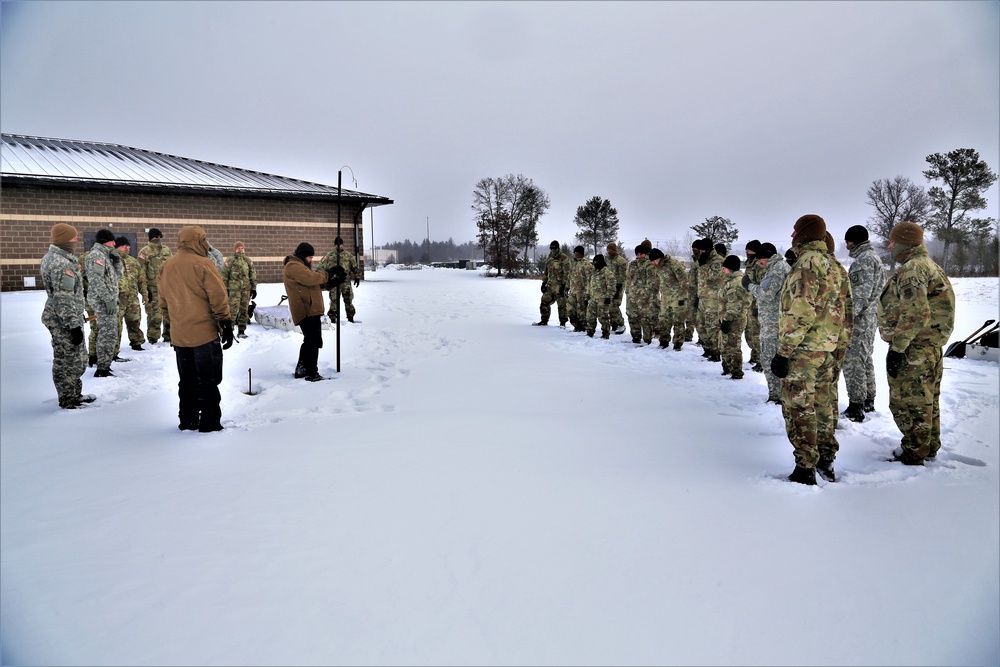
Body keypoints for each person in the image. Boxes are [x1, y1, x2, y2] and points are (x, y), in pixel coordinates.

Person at [770, 214, 847, 485]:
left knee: (800, 408)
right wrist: (839, 349)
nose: (791, 236)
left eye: (795, 231)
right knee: (825, 405)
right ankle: (826, 459)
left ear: (803, 233)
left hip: (803, 351)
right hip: (827, 349)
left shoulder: (807, 263)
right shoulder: (834, 264)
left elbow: (801, 309)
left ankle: (805, 468)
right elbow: (845, 312)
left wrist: (784, 351)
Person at [878, 222, 955, 465]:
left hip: (914, 349)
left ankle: (914, 451)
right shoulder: (927, 265)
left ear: (904, 242)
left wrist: (898, 348)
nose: (890, 245)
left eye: (893, 241)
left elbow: (916, 312)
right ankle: (927, 446)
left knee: (909, 401)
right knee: (926, 400)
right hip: (926, 347)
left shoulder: (913, 269)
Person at [157, 226, 233, 432]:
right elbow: (218, 297)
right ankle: (210, 422)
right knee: (208, 381)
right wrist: (226, 323)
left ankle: (188, 420)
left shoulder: (166, 266)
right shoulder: (203, 264)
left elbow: (163, 302)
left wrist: (174, 323)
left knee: (187, 380)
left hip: (180, 336)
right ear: (197, 241)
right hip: (204, 335)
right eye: (204, 239)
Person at [40, 223, 94, 409]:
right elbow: (63, 298)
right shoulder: (60, 263)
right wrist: (73, 325)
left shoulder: (62, 258)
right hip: (63, 319)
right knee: (66, 360)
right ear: (63, 239)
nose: (76, 239)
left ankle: (74, 394)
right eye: (73, 237)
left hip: (67, 316)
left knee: (76, 358)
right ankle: (67, 398)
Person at [841, 225, 887, 421]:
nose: (846, 245)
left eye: (848, 241)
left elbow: (859, 297)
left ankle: (856, 406)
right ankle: (868, 401)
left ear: (854, 241)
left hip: (860, 321)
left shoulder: (864, 260)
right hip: (870, 319)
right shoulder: (873, 257)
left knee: (853, 362)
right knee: (865, 359)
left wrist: (844, 321)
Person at [284, 242, 340, 381]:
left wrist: (330, 283)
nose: (311, 260)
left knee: (310, 340)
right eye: (309, 257)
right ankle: (311, 372)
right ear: (302, 256)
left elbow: (311, 285)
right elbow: (310, 279)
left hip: (310, 309)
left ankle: (302, 368)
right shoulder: (293, 266)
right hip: (305, 310)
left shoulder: (300, 266)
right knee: (313, 341)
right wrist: (328, 273)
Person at [744, 243, 789, 404]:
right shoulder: (776, 267)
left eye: (759, 259)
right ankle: (778, 394)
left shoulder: (777, 269)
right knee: (769, 360)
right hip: (773, 322)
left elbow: (767, 294)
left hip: (773, 324)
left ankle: (777, 396)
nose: (758, 263)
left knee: (769, 360)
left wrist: (749, 286)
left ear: (766, 257)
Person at [85, 228, 124, 378]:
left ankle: (104, 365)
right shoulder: (97, 256)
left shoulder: (106, 256)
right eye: (112, 240)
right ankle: (102, 369)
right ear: (106, 241)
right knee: (107, 334)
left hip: (109, 299)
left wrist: (117, 261)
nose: (115, 243)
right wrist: (108, 300)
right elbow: (96, 280)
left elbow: (116, 277)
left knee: (110, 332)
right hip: (102, 300)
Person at [138, 227, 172, 344]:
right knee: (155, 315)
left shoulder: (166, 250)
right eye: (155, 237)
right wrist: (145, 289)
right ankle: (153, 338)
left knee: (170, 312)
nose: (157, 239)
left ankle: (169, 335)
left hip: (167, 287)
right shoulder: (144, 252)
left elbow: (172, 267)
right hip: (153, 288)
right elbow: (141, 272)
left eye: (158, 237)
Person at [649, 248, 688, 350]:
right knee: (663, 321)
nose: (653, 263)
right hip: (666, 299)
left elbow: (684, 281)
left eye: (654, 260)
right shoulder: (659, 267)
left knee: (678, 322)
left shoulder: (674, 264)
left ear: (659, 258)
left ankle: (677, 344)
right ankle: (663, 342)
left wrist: (682, 297)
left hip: (677, 298)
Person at [114, 236, 148, 354]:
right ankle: (114, 350)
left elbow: (141, 280)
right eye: (124, 246)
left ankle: (136, 342)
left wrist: (144, 294)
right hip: (117, 299)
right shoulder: (111, 260)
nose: (127, 248)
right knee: (116, 325)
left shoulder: (133, 262)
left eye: (128, 246)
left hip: (132, 298)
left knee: (134, 320)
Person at [317, 236, 362, 324]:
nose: (339, 246)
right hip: (334, 282)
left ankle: (350, 317)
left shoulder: (348, 255)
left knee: (348, 300)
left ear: (342, 245)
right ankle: (333, 318)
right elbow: (321, 266)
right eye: (337, 245)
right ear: (334, 245)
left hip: (346, 282)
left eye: (340, 244)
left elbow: (354, 267)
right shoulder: (329, 255)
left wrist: (357, 276)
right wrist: (321, 276)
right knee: (334, 300)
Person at [720, 255, 751, 379]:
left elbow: (735, 306)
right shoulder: (730, 281)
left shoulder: (735, 283)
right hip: (729, 317)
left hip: (734, 319)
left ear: (730, 268)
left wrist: (727, 320)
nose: (723, 270)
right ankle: (727, 368)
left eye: (725, 268)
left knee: (733, 346)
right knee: (726, 344)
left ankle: (736, 371)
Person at [694, 238, 725, 362]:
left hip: (713, 300)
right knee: (700, 326)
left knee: (712, 328)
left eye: (702, 250)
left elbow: (713, 277)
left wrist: (703, 266)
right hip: (703, 299)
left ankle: (716, 352)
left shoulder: (717, 261)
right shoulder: (702, 260)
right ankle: (707, 349)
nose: (700, 252)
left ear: (708, 249)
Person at [223, 241, 257, 338]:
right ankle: (230, 331)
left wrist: (253, 288)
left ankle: (241, 331)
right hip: (234, 290)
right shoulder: (230, 260)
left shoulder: (247, 260)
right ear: (235, 249)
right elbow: (224, 276)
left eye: (242, 248)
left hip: (246, 290)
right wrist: (225, 289)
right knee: (232, 311)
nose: (240, 250)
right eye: (238, 248)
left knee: (244, 311)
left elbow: (252, 275)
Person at [625, 244, 658, 344]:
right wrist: (627, 291)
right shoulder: (632, 264)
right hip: (632, 296)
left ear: (645, 253)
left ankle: (647, 339)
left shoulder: (649, 264)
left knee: (645, 319)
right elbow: (628, 279)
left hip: (645, 298)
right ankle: (635, 338)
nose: (639, 256)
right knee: (632, 317)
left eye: (641, 254)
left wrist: (646, 295)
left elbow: (652, 281)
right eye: (637, 254)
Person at [533, 241, 570, 327]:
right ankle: (544, 320)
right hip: (550, 286)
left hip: (560, 286)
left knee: (562, 305)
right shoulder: (550, 259)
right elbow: (546, 272)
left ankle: (562, 323)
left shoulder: (564, 259)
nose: (553, 250)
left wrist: (564, 286)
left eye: (554, 248)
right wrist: (543, 283)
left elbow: (567, 273)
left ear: (558, 248)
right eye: (551, 248)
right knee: (544, 301)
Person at [743, 240, 764, 371]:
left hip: (756, 304)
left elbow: (762, 286)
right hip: (749, 303)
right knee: (750, 333)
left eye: (749, 250)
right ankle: (755, 356)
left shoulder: (759, 265)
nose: (747, 252)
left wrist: (757, 306)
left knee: (757, 334)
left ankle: (762, 361)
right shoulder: (749, 265)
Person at [585, 253, 616, 338]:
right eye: (594, 262)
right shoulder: (593, 272)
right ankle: (590, 332)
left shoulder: (607, 272)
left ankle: (605, 334)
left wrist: (609, 297)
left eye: (596, 262)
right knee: (590, 316)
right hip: (593, 298)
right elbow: (589, 284)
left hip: (603, 299)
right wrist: (587, 295)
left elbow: (612, 286)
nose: (595, 263)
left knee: (603, 318)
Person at [567, 246, 593, 332]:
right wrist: (567, 286)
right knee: (570, 309)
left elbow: (590, 279)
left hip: (581, 292)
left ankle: (582, 327)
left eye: (577, 252)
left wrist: (587, 292)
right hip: (572, 290)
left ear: (581, 253)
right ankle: (575, 325)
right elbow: (570, 276)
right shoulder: (573, 263)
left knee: (581, 311)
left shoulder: (587, 264)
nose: (575, 254)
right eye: (574, 252)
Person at [605, 242, 629, 334]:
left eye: (611, 249)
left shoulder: (621, 261)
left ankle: (621, 324)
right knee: (608, 306)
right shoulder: (607, 260)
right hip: (608, 286)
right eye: (608, 249)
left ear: (615, 250)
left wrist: (617, 287)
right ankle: (614, 324)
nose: (609, 251)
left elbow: (623, 276)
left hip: (618, 286)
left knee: (614, 306)